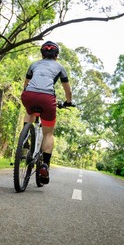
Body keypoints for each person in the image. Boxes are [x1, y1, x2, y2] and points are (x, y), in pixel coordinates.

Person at [21, 41, 74, 184]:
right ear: (56, 55)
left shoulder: (34, 64)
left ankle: (25, 137)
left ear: (42, 54)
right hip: (47, 98)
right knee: (48, 133)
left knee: (29, 109)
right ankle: (45, 165)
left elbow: (26, 85)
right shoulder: (60, 67)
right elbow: (67, 91)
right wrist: (68, 102)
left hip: (28, 96)